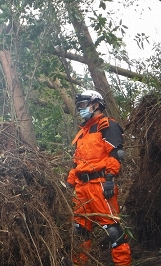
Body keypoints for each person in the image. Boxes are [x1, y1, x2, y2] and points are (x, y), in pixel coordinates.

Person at [66, 90, 132, 265]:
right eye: (79, 106)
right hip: (81, 188)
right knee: (80, 231)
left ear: (95, 105)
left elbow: (116, 153)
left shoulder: (108, 125)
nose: (80, 109)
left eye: (83, 105)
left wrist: (110, 177)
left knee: (112, 230)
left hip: (100, 184)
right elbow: (77, 163)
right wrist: (69, 183)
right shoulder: (83, 133)